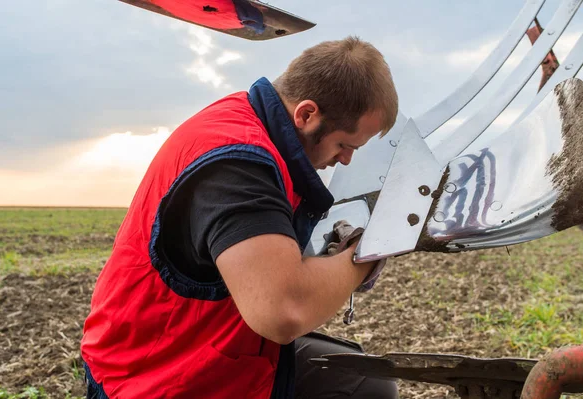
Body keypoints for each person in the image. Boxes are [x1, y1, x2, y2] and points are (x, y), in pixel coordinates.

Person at [81, 36, 399, 399]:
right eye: (345, 145)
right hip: (157, 374)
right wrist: (367, 255)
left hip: (211, 346)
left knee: (365, 385)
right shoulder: (238, 166)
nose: (346, 160)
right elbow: (283, 310)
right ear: (307, 114)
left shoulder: (253, 126)